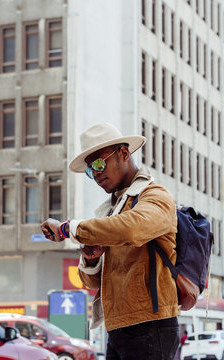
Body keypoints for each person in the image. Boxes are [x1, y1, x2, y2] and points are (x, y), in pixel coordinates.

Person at [41, 123, 180, 360]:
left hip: (150, 325)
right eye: (89, 170)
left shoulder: (155, 195)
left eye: (98, 164)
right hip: (119, 327)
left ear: (124, 154)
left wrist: (68, 228)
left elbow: (133, 228)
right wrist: (90, 257)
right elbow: (92, 282)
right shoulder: (113, 210)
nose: (95, 174)